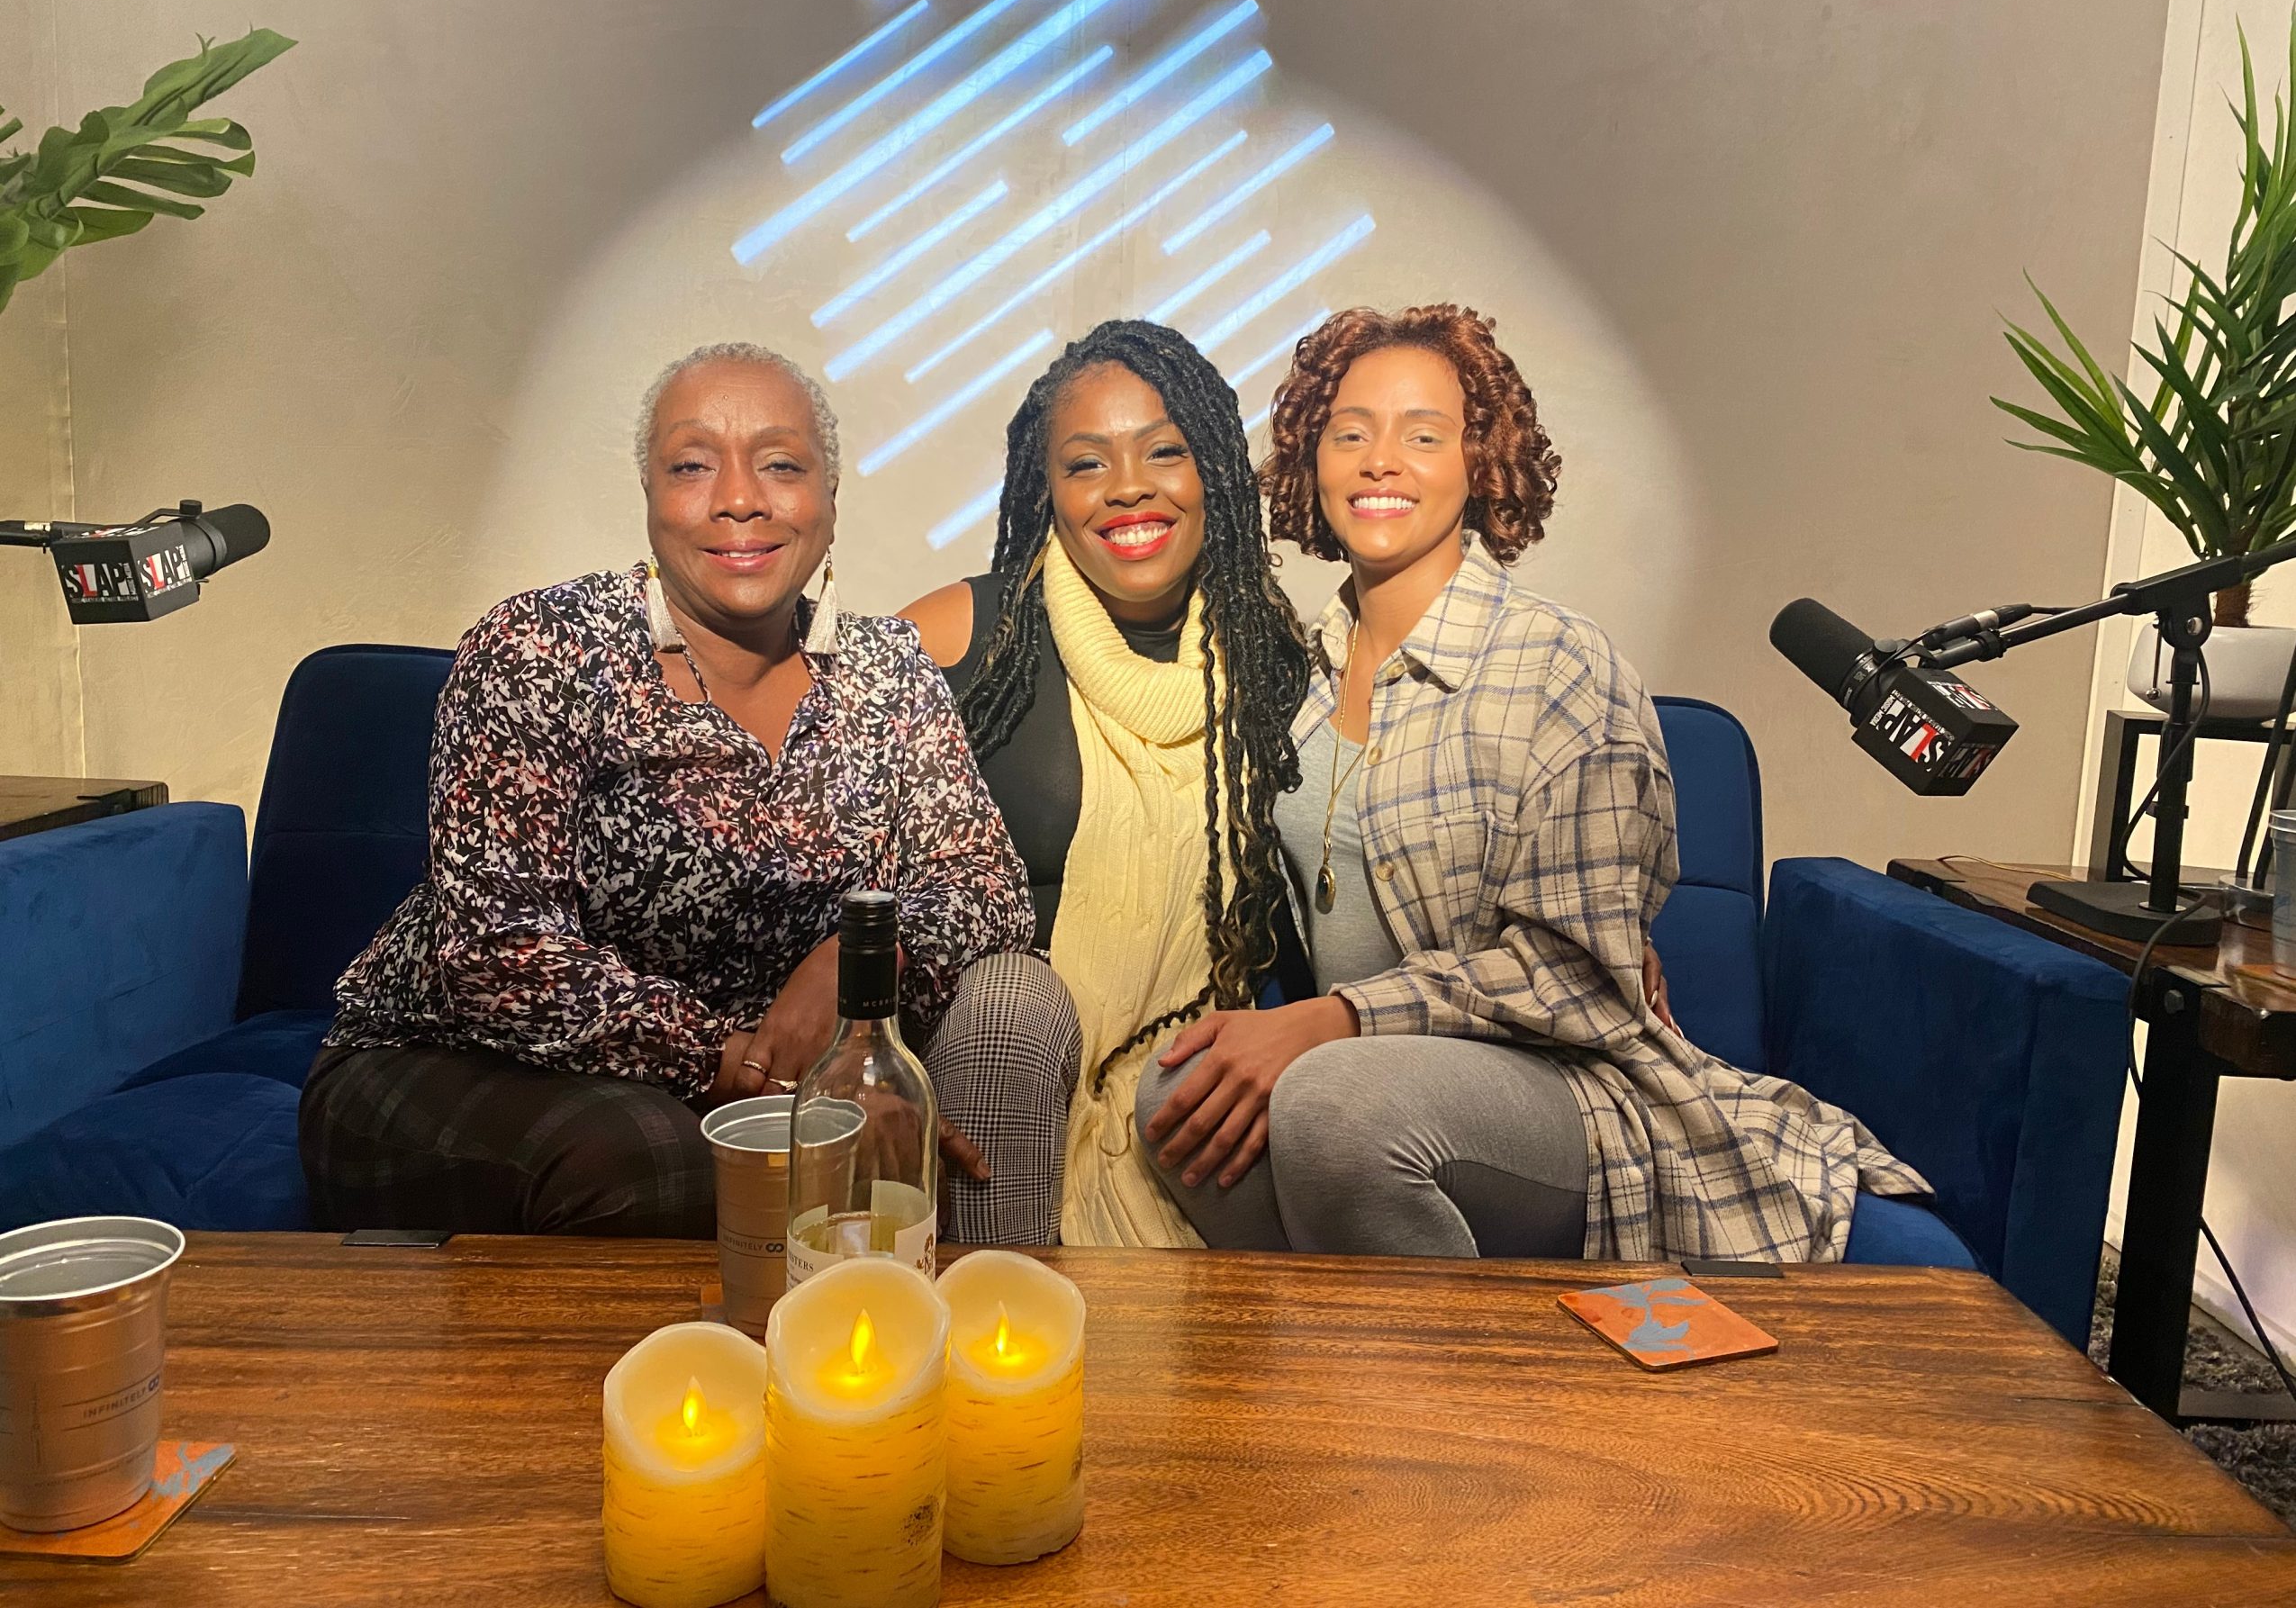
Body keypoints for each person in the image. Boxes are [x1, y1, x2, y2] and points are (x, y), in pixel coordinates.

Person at [1134, 304, 1930, 1261]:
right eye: (1350, 434)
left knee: (1339, 1105)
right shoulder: (1295, 678)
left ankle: (1445, 1360)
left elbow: (1578, 977)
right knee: (1172, 1094)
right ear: (1313, 458)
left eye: (1423, 435)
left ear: (1481, 462)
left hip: (1555, 1086)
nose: (1380, 461)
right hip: (1366, 1074)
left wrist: (1335, 1019)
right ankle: (1326, 1338)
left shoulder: (1560, 666)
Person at [299, 341, 1075, 1241]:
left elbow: (984, 883)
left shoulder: (889, 670)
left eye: (781, 465)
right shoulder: (540, 648)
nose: (740, 497)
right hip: (463, 1062)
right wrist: (752, 1073)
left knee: (739, 1150)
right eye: (693, 465)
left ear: (829, 498)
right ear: (650, 495)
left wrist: (862, 961)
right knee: (662, 1156)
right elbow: (497, 952)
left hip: (756, 1100)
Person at [902, 319, 1312, 1248]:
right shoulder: (964, 637)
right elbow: (810, 834)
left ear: (1214, 469)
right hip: (985, 1082)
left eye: (1164, 451)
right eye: (1086, 463)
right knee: (1009, 1006)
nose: (1128, 485)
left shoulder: (1280, 664)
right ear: (1046, 490)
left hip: (1188, 1098)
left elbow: (1353, 872)